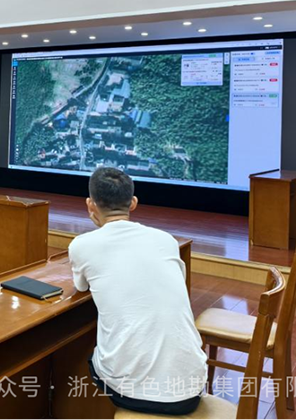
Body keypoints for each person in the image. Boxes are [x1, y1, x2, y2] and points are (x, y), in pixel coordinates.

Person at [68, 167, 206, 415]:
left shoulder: (82, 245)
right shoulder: (166, 240)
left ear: (90, 204)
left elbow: (81, 286)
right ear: (133, 203)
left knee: (85, 351)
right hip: (192, 389)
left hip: (131, 394)